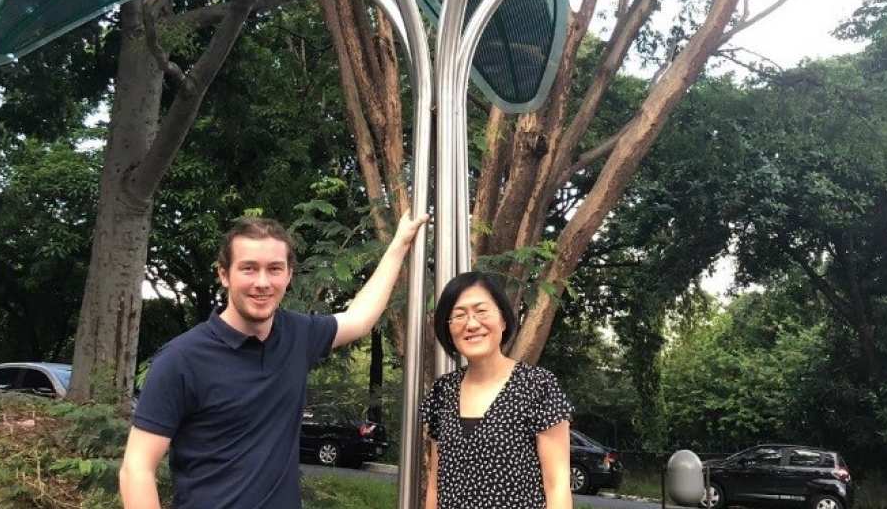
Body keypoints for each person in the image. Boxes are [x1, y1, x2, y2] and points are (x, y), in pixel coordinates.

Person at [119, 211, 428, 509]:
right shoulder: (181, 360)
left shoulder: (298, 334)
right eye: (249, 268)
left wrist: (399, 243)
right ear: (224, 274)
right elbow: (137, 468)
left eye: (275, 269)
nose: (263, 282)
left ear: (289, 275)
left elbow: (359, 319)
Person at [419, 272, 573, 509]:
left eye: (481, 311)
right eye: (459, 315)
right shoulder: (443, 391)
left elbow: (557, 486)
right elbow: (435, 486)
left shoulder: (538, 386)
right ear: (448, 329)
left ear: (503, 319)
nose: (471, 324)